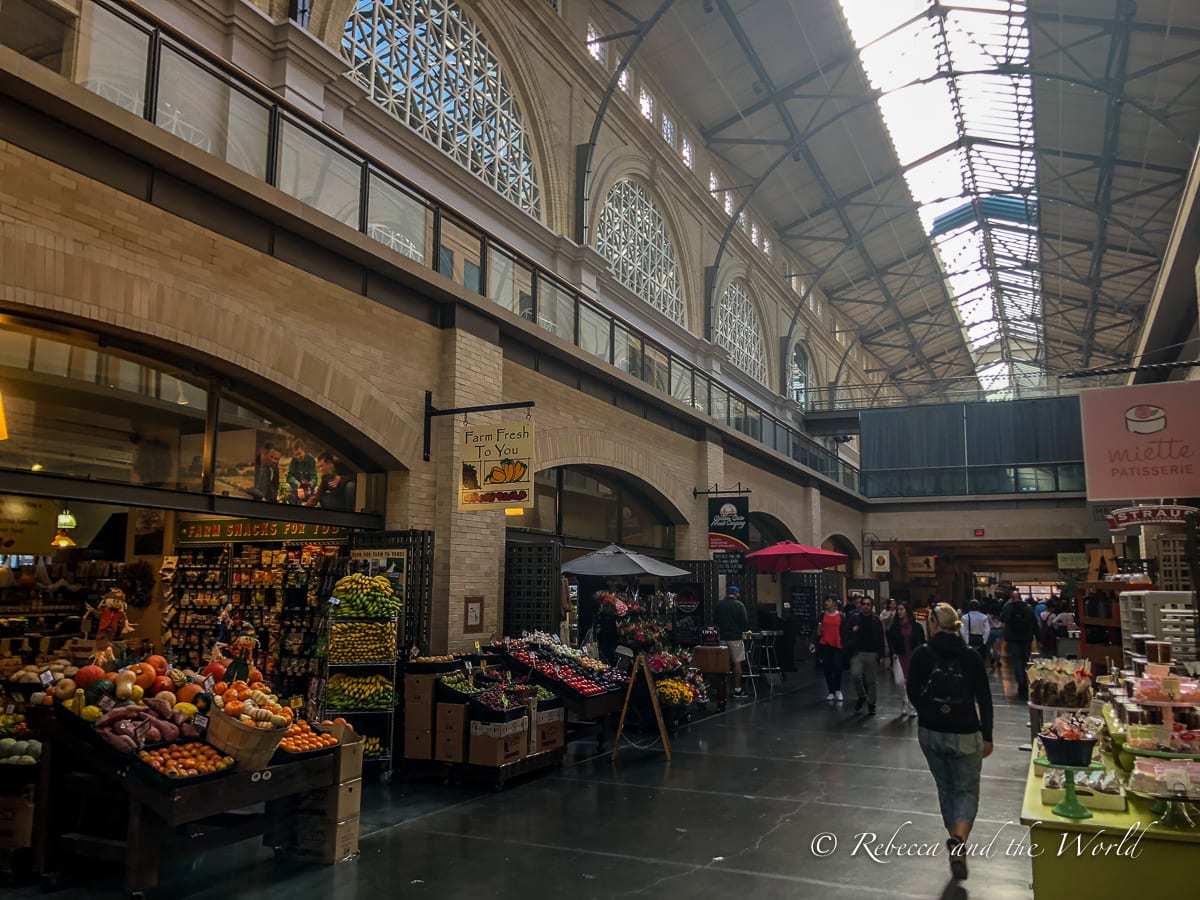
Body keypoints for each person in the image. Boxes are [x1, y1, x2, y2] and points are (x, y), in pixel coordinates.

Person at [907, 603, 994, 882]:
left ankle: (956, 842)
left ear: (933, 623)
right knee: (966, 789)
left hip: (931, 731)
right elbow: (984, 698)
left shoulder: (922, 654)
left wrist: (928, 711)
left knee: (945, 787)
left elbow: (912, 690)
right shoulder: (970, 657)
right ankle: (959, 840)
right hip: (966, 730)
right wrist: (988, 734)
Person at [886, 601, 925, 716]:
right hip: (900, 654)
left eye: (901, 609)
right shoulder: (895, 626)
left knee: (911, 681)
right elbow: (891, 640)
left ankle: (912, 705)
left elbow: (922, 640)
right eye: (898, 610)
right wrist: (892, 653)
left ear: (907, 611)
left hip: (912, 654)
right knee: (900, 681)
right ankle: (904, 700)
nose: (899, 612)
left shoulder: (916, 625)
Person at [849, 596, 886, 715]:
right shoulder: (855, 618)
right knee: (855, 675)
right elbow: (846, 631)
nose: (865, 606)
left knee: (871, 680)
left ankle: (872, 704)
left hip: (872, 653)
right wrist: (852, 632)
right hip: (858, 652)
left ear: (871, 606)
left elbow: (881, 638)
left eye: (868, 604)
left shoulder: (876, 620)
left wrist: (881, 655)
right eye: (863, 604)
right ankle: (862, 696)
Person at [1000, 586, 1038, 699]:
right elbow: (1034, 622)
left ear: (1012, 597)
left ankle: (1020, 680)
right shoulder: (1028, 607)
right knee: (1025, 659)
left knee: (1016, 659)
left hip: (1013, 638)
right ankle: (1027, 679)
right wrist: (1038, 638)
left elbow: (1003, 618)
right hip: (1026, 637)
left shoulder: (1008, 607)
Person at [715, 585, 750, 699]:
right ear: (736, 594)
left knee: (722, 663)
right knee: (737, 662)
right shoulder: (739, 605)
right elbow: (744, 623)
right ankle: (737, 689)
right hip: (735, 638)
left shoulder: (719, 605)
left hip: (722, 638)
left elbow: (715, 620)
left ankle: (722, 688)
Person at [808, 595, 845, 702]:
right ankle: (831, 691)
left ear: (834, 603)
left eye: (828, 601)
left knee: (837, 667)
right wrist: (813, 642)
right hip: (825, 644)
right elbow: (817, 629)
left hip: (837, 644)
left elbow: (844, 631)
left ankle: (838, 689)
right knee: (827, 667)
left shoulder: (841, 616)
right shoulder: (822, 615)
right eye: (826, 601)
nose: (826, 603)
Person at [286, 439, 318, 504]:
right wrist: (299, 484)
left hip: (308, 488)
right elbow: (289, 477)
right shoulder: (293, 460)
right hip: (296, 487)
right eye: (295, 455)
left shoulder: (311, 460)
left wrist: (309, 484)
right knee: (291, 494)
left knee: (312, 495)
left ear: (304, 450)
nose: (297, 457)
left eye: (299, 454)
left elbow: (314, 478)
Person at [985, 599, 1004, 671]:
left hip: (991, 631)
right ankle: (999, 661)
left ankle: (992, 655)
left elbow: (986, 624)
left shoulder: (988, 615)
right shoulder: (1001, 615)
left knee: (989, 645)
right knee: (999, 647)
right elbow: (1003, 624)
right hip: (999, 631)